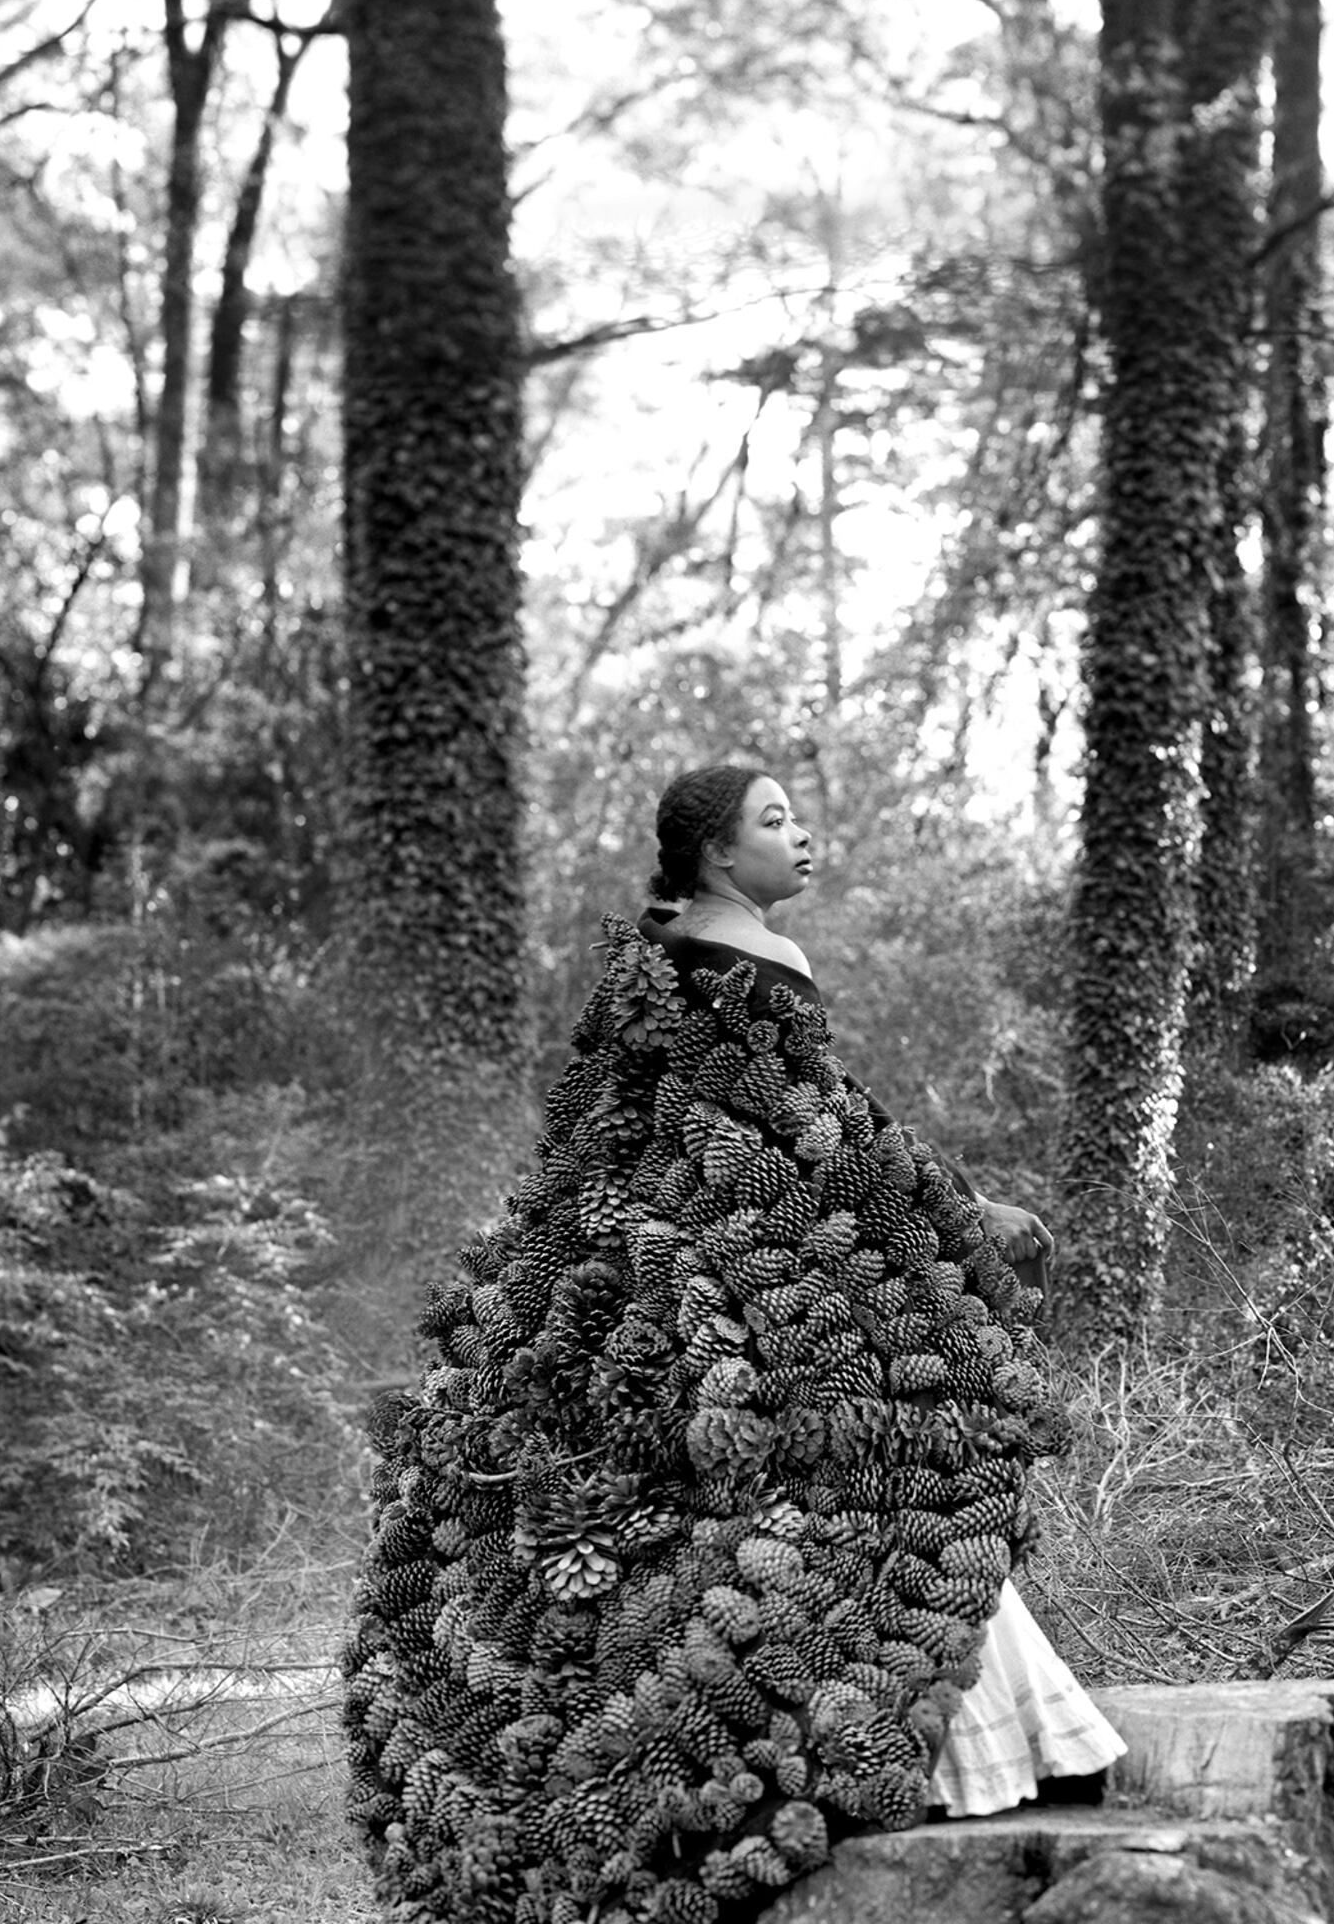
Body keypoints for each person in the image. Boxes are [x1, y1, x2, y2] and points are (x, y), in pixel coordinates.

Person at [347, 766, 1117, 1924]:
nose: (802, 835)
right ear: (715, 854)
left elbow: (652, 1128)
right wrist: (961, 1216)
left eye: (798, 816)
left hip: (659, 1248)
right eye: (773, 822)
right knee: (881, 1475)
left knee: (710, 1498)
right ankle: (971, 1749)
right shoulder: (753, 956)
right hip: (736, 1256)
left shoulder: (661, 954)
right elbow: (812, 1127)